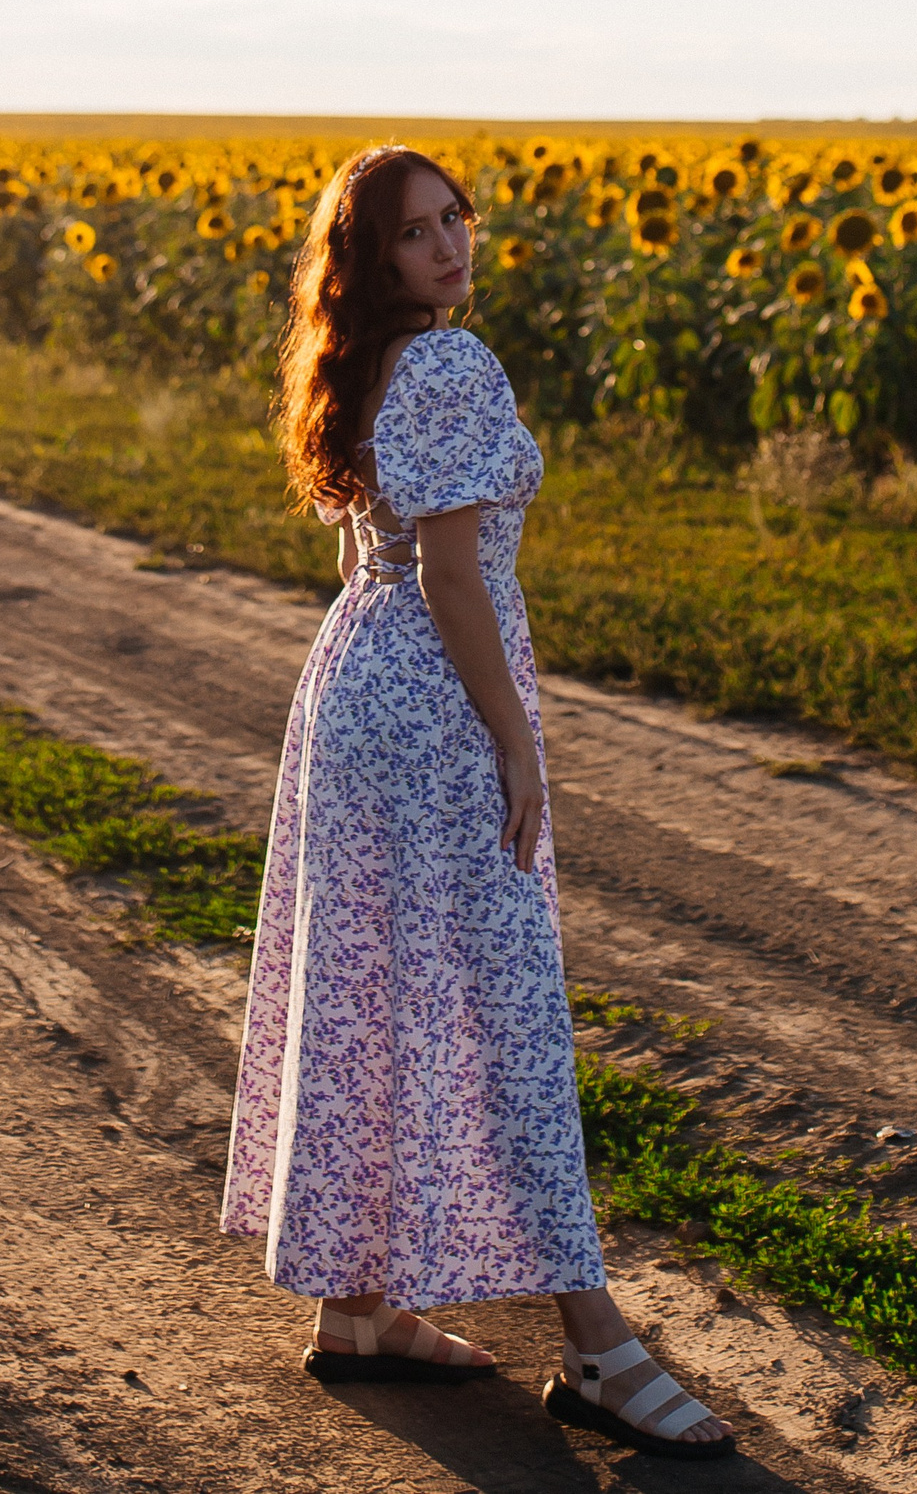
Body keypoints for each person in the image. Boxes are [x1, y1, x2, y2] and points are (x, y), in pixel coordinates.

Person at [220, 144, 736, 1460]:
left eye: (458, 218)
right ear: (372, 259)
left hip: (355, 688)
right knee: (499, 1013)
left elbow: (374, 549)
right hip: (440, 704)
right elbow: (454, 575)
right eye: (415, 232)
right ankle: (597, 1344)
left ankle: (359, 1310)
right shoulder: (451, 364)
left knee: (373, 994)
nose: (451, 245)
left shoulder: (366, 363)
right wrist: (514, 743)